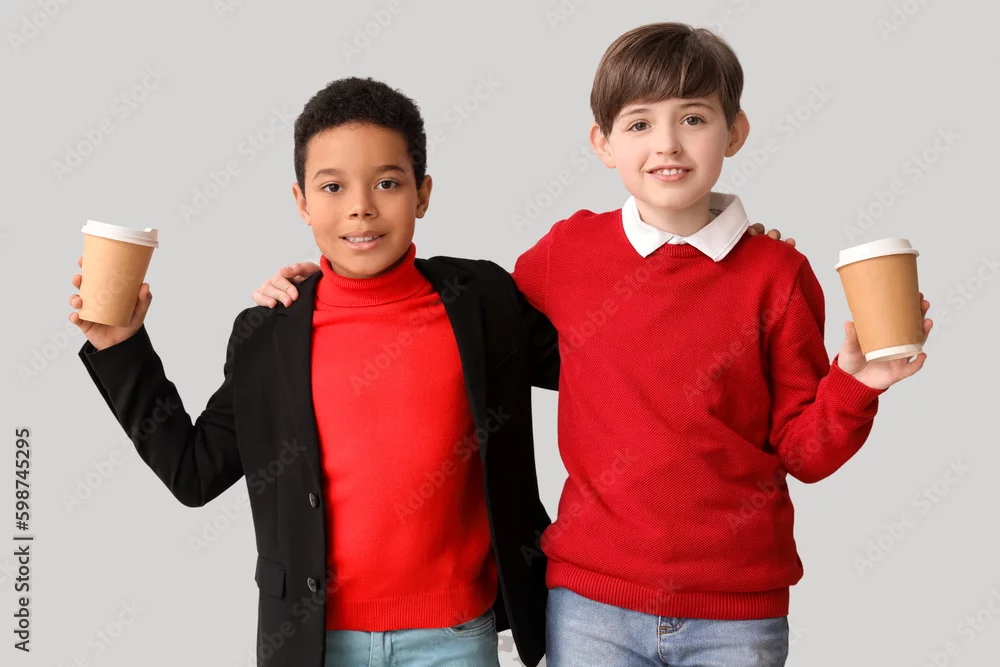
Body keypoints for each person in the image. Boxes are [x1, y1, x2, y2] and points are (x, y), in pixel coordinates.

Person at [253, 23, 932, 667]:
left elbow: (803, 453)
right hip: (589, 604)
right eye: (639, 124)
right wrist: (332, 285)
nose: (668, 144)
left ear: (735, 131)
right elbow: (466, 318)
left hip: (737, 611)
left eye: (694, 119)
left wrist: (857, 382)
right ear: (603, 143)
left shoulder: (778, 275)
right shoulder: (569, 251)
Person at [69, 77, 565, 667]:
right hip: (315, 643)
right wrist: (121, 347)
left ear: (423, 194)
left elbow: (601, 364)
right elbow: (193, 473)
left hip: (456, 638)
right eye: (333, 187)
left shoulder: (481, 299)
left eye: (387, 183)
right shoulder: (270, 332)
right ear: (302, 202)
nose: (360, 206)